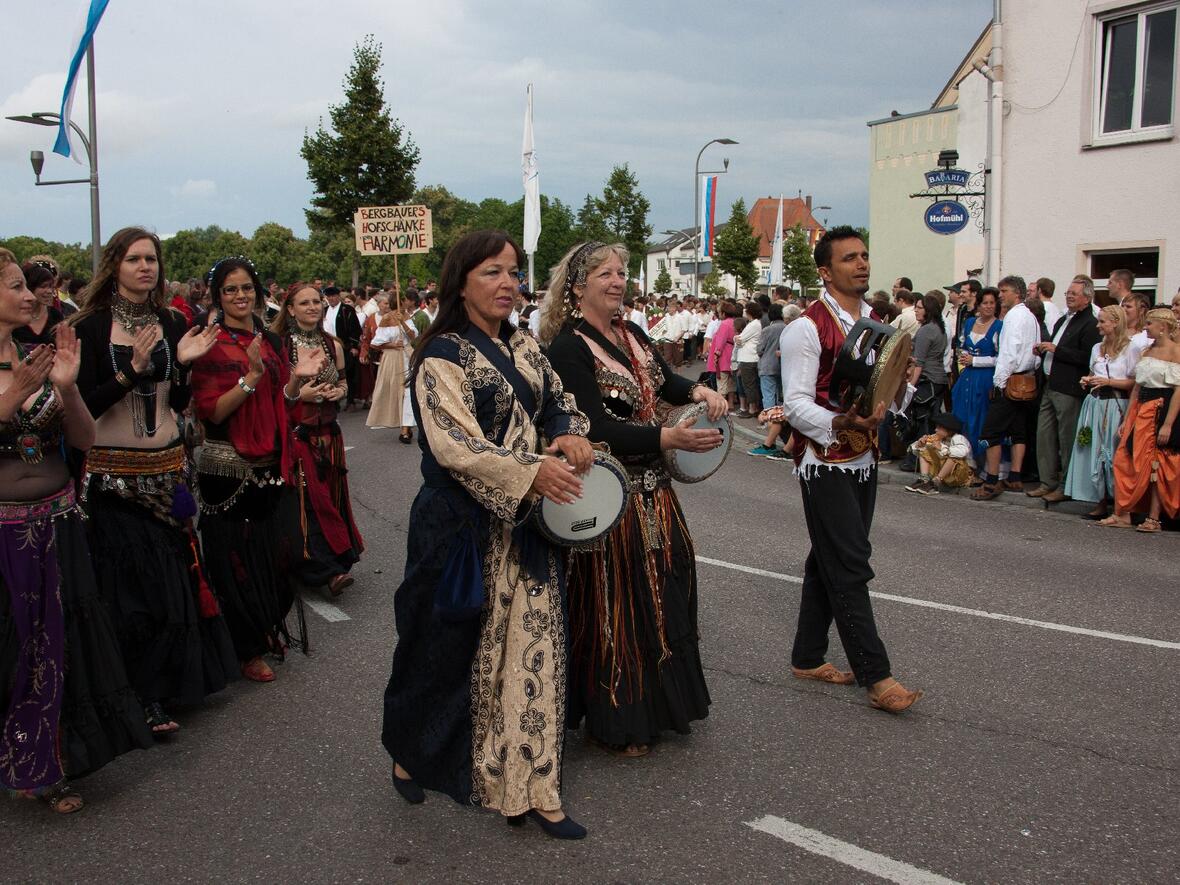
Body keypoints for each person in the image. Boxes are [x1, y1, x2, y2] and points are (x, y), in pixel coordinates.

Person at [380, 230, 593, 839]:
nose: (508, 284)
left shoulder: (527, 346)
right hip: (459, 530)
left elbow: (559, 403)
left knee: (534, 650)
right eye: (492, 273)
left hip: (527, 524)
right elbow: (455, 447)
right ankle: (411, 748)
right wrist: (532, 470)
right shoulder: (439, 357)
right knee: (439, 650)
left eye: (513, 272)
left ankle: (534, 788)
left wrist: (571, 432)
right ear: (462, 282)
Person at [544, 240, 726, 759]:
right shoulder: (568, 347)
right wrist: (666, 439)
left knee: (661, 598)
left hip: (657, 495)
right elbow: (593, 427)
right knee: (616, 607)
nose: (618, 280)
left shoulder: (632, 333)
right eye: (605, 273)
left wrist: (699, 392)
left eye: (622, 272)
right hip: (611, 498)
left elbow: (665, 382)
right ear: (578, 285)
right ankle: (616, 718)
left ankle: (660, 709)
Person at [0, 250, 153, 815]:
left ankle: (51, 764)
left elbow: (84, 441)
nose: (31, 294)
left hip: (59, 523)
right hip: (5, 537)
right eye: (16, 286)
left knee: (60, 647)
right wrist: (11, 399)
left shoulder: (36, 358)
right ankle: (16, 756)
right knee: (15, 649)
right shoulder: (16, 372)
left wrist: (64, 389)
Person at [71, 227, 236, 736]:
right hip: (113, 476)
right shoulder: (91, 328)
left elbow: (181, 402)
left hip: (167, 470)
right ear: (114, 265)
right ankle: (137, 697)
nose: (146, 268)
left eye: (152, 259)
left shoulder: (171, 320)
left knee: (172, 583)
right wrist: (130, 371)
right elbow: (81, 407)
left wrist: (182, 365)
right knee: (130, 594)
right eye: (134, 259)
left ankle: (168, 688)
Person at [779, 226, 922, 712]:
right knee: (850, 562)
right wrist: (839, 421)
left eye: (864, 255)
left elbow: (890, 398)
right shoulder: (807, 327)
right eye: (848, 259)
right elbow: (795, 405)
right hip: (823, 462)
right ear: (825, 270)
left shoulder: (879, 322)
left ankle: (806, 654)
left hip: (863, 459)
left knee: (829, 556)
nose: (861, 264)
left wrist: (900, 387)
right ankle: (876, 676)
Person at [190, 260, 327, 683]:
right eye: (230, 290)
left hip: (270, 463)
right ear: (218, 296)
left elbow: (280, 404)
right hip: (228, 469)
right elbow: (211, 409)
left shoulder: (268, 340)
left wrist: (294, 382)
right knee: (235, 562)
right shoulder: (209, 342)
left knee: (276, 560)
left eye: (246, 288)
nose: (240, 296)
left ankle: (262, 631)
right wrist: (249, 378)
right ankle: (245, 647)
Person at [273, 283, 364, 597]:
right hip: (298, 437)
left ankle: (336, 561)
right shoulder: (280, 345)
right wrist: (303, 393)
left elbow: (343, 382)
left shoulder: (332, 344)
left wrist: (337, 392)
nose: (312, 307)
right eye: (305, 302)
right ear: (290, 309)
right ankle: (325, 571)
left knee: (333, 499)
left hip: (330, 435)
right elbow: (274, 394)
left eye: (316, 302)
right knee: (309, 505)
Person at [1098, 308, 1180, 533]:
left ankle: (1154, 517)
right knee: (1125, 458)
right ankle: (1122, 513)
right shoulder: (1146, 351)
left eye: (1150, 324)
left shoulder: (1176, 352)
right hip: (1141, 409)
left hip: (1160, 409)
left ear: (1162, 327)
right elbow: (1137, 386)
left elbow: (1178, 391)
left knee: (1156, 464)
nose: (1146, 328)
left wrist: (1168, 424)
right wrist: (1128, 418)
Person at [1027, 275, 1101, 503]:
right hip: (1050, 383)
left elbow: (1088, 356)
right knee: (1044, 435)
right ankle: (1047, 481)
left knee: (1066, 438)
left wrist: (1056, 350)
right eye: (1068, 293)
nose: (1069, 297)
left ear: (1087, 298)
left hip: (1069, 388)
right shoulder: (1062, 319)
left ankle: (1065, 484)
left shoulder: (1090, 323)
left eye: (1074, 294)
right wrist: (1043, 350)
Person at [1063, 305, 1137, 519]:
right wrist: (1087, 379)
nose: (1098, 325)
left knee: (1114, 453)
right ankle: (1100, 500)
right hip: (1095, 403)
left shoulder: (1130, 349)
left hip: (1116, 405)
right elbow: (1092, 371)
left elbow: (1135, 383)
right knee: (1094, 451)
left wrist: (1109, 381)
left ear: (1115, 322)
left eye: (1103, 321)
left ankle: (1119, 504)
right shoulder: (1097, 348)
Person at [971, 276, 1041, 501]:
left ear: (1016, 293)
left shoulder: (1013, 317)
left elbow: (1009, 353)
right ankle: (1015, 475)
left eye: (1004, 291)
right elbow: (1035, 351)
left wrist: (999, 382)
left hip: (1010, 380)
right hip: (1027, 379)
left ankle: (991, 481)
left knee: (990, 432)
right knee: (1018, 430)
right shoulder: (1031, 317)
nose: (1000, 295)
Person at [951, 287, 1002, 467]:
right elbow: (962, 345)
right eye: (985, 303)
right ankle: (965, 462)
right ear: (979, 305)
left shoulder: (998, 326)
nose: (988, 307)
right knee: (962, 417)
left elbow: (1000, 358)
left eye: (991, 303)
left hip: (984, 378)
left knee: (980, 419)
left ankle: (984, 465)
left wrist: (976, 360)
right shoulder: (970, 322)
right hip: (967, 377)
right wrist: (964, 356)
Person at [899, 293, 948, 467]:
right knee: (927, 422)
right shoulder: (938, 327)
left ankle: (917, 461)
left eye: (919, 308)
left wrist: (910, 387)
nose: (916, 311)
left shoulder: (927, 330)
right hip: (938, 380)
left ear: (928, 310)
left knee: (920, 422)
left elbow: (919, 362)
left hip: (928, 380)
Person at [366, 294, 418, 443]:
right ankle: (401, 423)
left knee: (408, 391)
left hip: (407, 356)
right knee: (396, 391)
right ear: (401, 301)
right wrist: (392, 345)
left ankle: (406, 428)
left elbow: (413, 337)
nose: (408, 302)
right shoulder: (387, 318)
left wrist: (404, 322)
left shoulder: (407, 316)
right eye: (406, 300)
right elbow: (375, 344)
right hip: (392, 358)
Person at [904, 413, 974, 495]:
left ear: (949, 430)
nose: (936, 430)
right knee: (925, 449)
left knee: (954, 456)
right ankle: (924, 480)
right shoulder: (937, 437)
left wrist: (941, 448)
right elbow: (913, 450)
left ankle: (935, 483)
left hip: (960, 475)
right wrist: (919, 444)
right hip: (944, 474)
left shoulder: (958, 438)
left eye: (939, 428)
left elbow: (962, 452)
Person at [14, 262, 65, 347]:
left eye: (51, 287)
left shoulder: (56, 316)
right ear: (30, 287)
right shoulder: (14, 317)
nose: (49, 291)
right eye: (43, 286)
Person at [707, 301, 739, 409]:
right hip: (733, 353)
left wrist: (716, 354)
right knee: (731, 382)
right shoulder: (734, 322)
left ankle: (721, 406)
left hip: (724, 355)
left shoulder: (724, 324)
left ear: (724, 313)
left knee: (722, 382)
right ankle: (730, 403)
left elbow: (720, 341)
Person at [357, 292, 386, 408]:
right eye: (385, 303)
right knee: (374, 378)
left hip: (389, 353)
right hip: (375, 354)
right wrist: (363, 352)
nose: (387, 306)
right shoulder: (371, 319)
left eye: (388, 304)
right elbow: (366, 338)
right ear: (379, 304)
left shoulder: (394, 317)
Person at [735, 302, 764, 416]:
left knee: (749, 384)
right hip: (750, 357)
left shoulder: (753, 325)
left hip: (748, 358)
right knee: (751, 383)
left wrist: (737, 338)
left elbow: (740, 339)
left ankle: (752, 408)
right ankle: (753, 407)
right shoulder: (755, 324)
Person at [757, 302, 786, 410]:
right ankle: (780, 420)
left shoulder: (767, 330)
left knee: (768, 395)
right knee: (781, 395)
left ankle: (769, 421)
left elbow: (759, 349)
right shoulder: (787, 328)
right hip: (783, 365)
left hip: (767, 366)